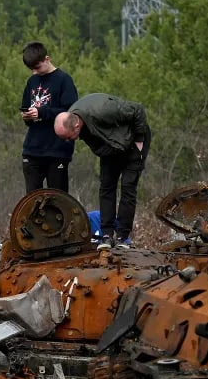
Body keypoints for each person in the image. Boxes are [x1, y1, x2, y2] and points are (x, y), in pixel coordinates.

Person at [54, 93, 150, 249]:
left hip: (133, 143)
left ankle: (122, 237)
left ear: (76, 126)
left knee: (128, 186)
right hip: (111, 147)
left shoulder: (103, 110)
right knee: (106, 187)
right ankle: (106, 235)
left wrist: (139, 139)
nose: (68, 141)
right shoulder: (72, 117)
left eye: (68, 137)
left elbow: (138, 110)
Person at [20, 41, 78, 194]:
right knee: (32, 200)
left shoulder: (64, 80)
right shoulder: (32, 81)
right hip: (32, 150)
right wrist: (27, 116)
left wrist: (42, 112)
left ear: (47, 59)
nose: (35, 72)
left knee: (58, 199)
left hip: (57, 150)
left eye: (37, 67)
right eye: (32, 69)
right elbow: (26, 108)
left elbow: (70, 113)